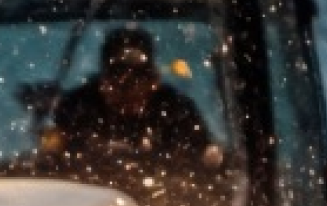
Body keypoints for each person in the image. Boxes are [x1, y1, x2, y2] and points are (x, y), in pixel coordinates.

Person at [45, 26, 214, 192]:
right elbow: (49, 166)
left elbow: (206, 167)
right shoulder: (77, 109)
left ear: (153, 82)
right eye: (118, 79)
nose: (127, 91)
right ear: (103, 82)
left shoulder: (176, 112)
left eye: (136, 80)